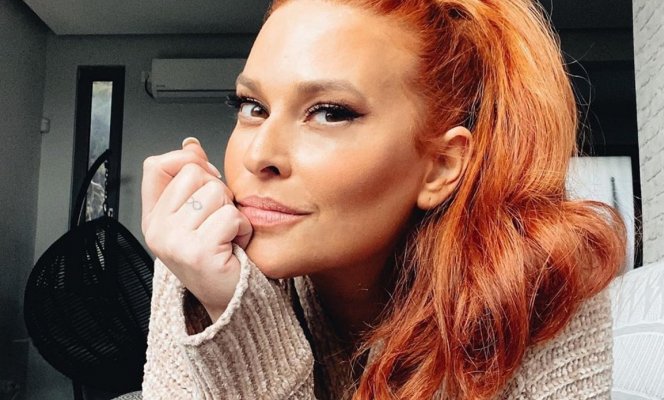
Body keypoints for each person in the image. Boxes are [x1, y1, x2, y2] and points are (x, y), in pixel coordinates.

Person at [138, 0, 627, 398]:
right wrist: (230, 309)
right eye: (252, 106)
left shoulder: (544, 284)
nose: (258, 155)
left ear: (441, 166)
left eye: (330, 113)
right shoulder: (200, 262)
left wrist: (250, 342)